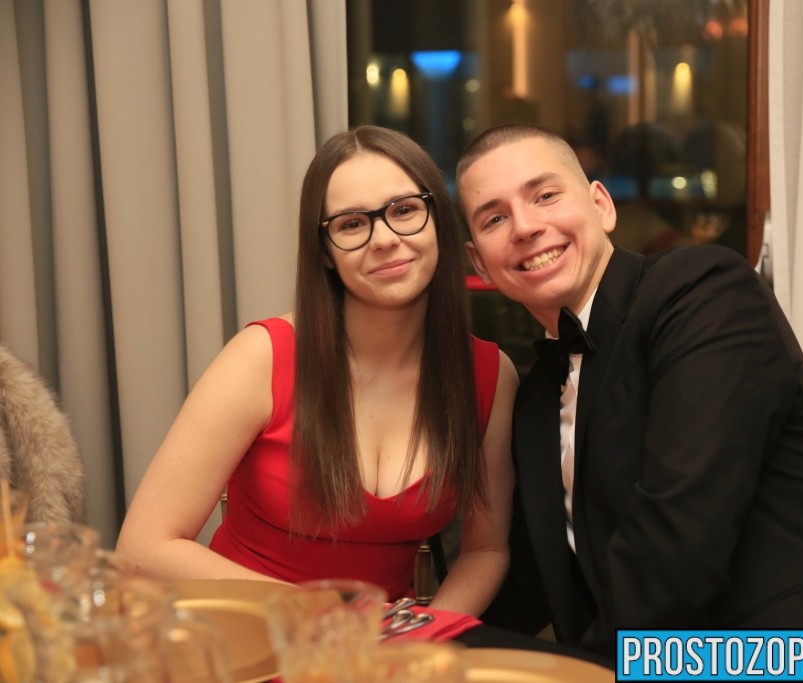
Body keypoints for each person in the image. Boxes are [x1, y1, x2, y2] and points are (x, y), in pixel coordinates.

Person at [454, 124, 803, 658]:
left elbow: (677, 540)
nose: (525, 226)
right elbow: (532, 581)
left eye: (545, 195)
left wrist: (584, 671)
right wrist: (424, 645)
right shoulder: (538, 396)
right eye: (495, 218)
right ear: (480, 263)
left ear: (601, 206)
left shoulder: (702, 292)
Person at [116, 126, 518, 617]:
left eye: (404, 210)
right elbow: (143, 546)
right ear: (326, 251)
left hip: (376, 649)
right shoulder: (262, 357)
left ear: (438, 221)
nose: (385, 239)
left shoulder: (490, 376)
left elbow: (485, 550)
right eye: (352, 224)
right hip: (241, 633)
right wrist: (324, 618)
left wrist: (424, 634)